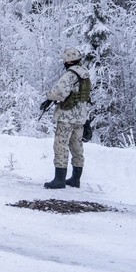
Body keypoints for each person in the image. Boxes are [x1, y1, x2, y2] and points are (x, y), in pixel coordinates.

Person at [40, 47, 91, 189]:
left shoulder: (70, 74)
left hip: (67, 116)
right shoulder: (85, 74)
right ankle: (75, 179)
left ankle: (59, 180)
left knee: (60, 145)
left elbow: (58, 92)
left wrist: (49, 97)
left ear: (67, 60)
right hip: (80, 116)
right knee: (77, 147)